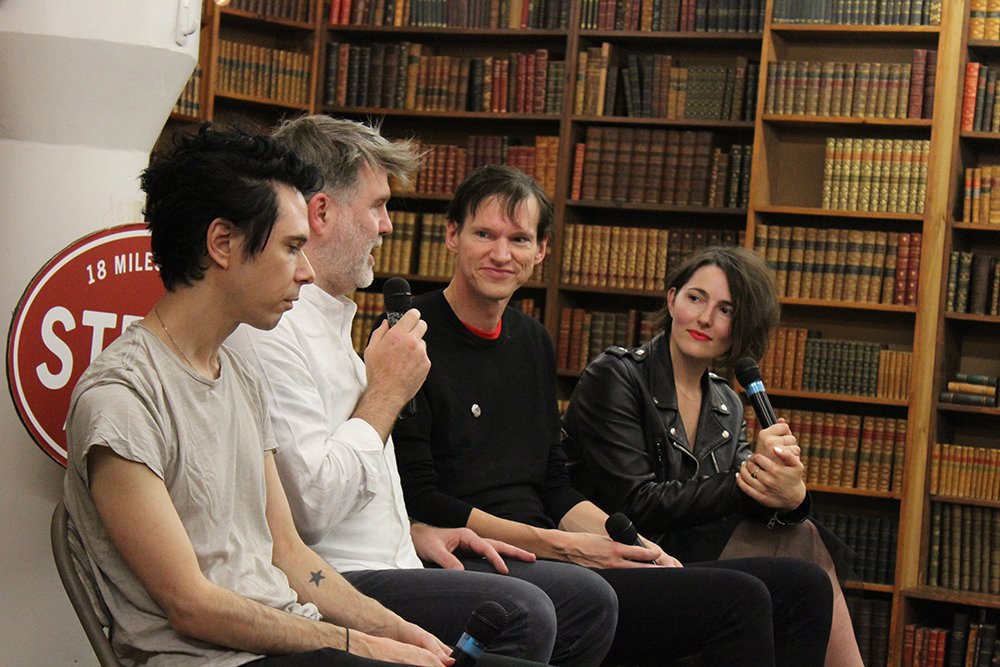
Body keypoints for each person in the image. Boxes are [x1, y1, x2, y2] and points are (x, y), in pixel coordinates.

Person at [63, 126, 541, 667]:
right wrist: (359, 642)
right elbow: (191, 607)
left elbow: (290, 555)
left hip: (293, 638)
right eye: (291, 247)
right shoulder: (121, 398)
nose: (306, 269)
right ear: (222, 244)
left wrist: (399, 631)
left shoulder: (237, 374)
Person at [389, 164, 835, 667]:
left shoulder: (532, 341)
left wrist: (631, 543)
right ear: (452, 235)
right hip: (483, 556)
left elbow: (554, 483)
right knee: (739, 602)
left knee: (803, 584)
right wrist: (567, 546)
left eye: (519, 239)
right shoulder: (409, 337)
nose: (501, 253)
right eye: (484, 234)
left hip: (553, 549)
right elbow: (419, 497)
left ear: (540, 252)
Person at [227, 115, 616, 665]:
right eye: (378, 206)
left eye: (520, 239)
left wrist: (416, 530)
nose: (387, 226)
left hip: (401, 556)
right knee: (531, 611)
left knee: (587, 601)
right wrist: (385, 391)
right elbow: (310, 510)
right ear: (321, 213)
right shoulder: (274, 330)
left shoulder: (334, 323)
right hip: (338, 580)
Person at [561, 244, 864, 667]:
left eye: (725, 310)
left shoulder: (726, 400)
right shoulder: (616, 376)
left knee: (804, 554)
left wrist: (789, 494)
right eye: (695, 298)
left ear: (738, 327)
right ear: (672, 300)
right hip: (621, 553)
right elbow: (636, 503)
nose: (705, 318)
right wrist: (748, 480)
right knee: (801, 554)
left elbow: (738, 502)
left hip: (690, 553)